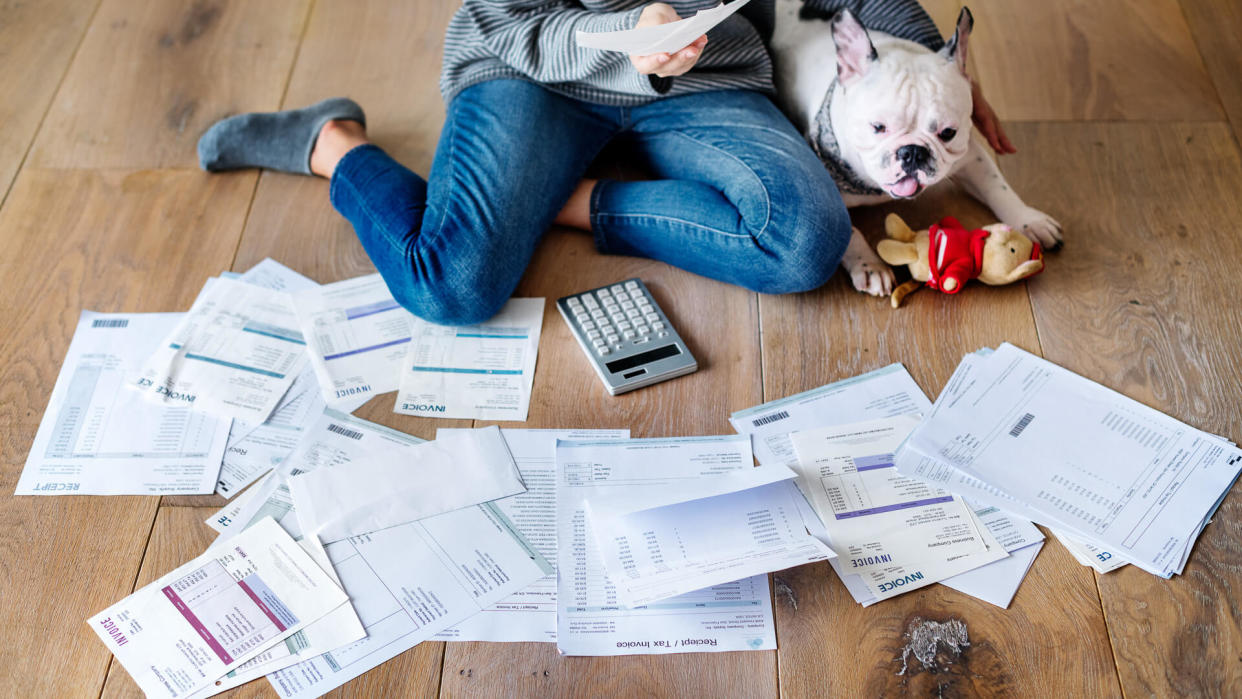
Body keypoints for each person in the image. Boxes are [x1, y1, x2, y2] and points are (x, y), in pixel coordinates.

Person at [198, 0, 1014, 326]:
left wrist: (930, 75)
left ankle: (574, 198)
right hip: (535, 69)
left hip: (707, 73)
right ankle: (331, 142)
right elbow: (504, 17)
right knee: (452, 286)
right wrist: (626, 41)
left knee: (807, 241)